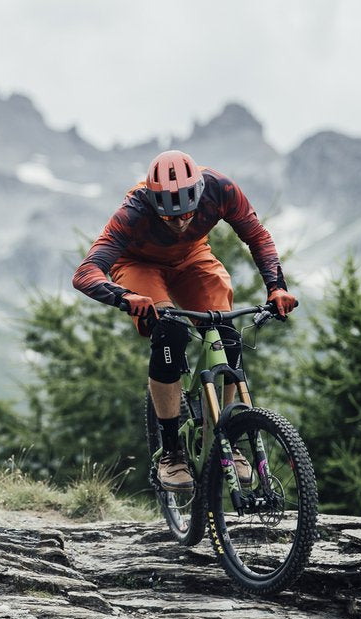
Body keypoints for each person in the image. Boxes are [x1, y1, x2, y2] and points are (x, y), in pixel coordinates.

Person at [72, 149, 297, 491]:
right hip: (139, 265)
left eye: (185, 215)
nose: (179, 223)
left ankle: (228, 440)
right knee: (170, 331)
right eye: (169, 217)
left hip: (193, 258)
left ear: (198, 196)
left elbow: (257, 235)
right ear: (153, 201)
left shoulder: (221, 189)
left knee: (226, 333)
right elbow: (86, 272)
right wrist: (124, 297)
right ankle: (172, 454)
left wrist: (276, 287)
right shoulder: (134, 209)